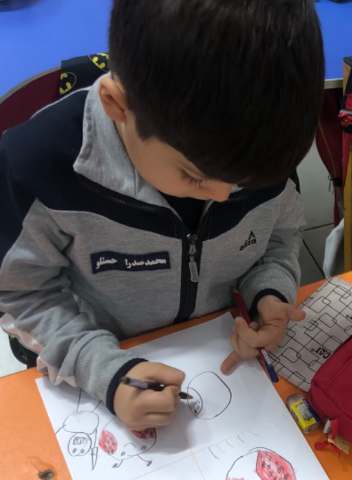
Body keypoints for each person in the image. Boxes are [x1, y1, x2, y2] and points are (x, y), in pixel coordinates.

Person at [0, 0, 324, 429]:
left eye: (243, 183)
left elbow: (279, 235)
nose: (224, 196)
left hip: (219, 359)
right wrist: (105, 371)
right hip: (98, 369)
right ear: (117, 105)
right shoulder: (35, 167)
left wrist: (267, 293)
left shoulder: (256, 149)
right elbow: (22, 294)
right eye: (194, 176)